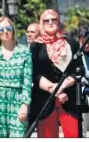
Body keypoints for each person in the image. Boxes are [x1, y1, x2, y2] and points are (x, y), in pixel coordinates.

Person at [30, 9, 82, 138]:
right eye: (46, 20)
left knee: (74, 135)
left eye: (53, 19)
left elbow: (79, 70)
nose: (50, 22)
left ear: (59, 22)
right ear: (41, 24)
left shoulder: (71, 43)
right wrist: (54, 89)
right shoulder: (35, 46)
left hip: (69, 99)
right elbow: (33, 73)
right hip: (44, 100)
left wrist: (62, 87)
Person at [0, 17, 32, 137]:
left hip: (18, 98)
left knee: (19, 135)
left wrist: (25, 104)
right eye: (1, 29)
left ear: (13, 31)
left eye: (8, 28)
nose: (5, 31)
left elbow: (27, 80)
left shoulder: (24, 52)